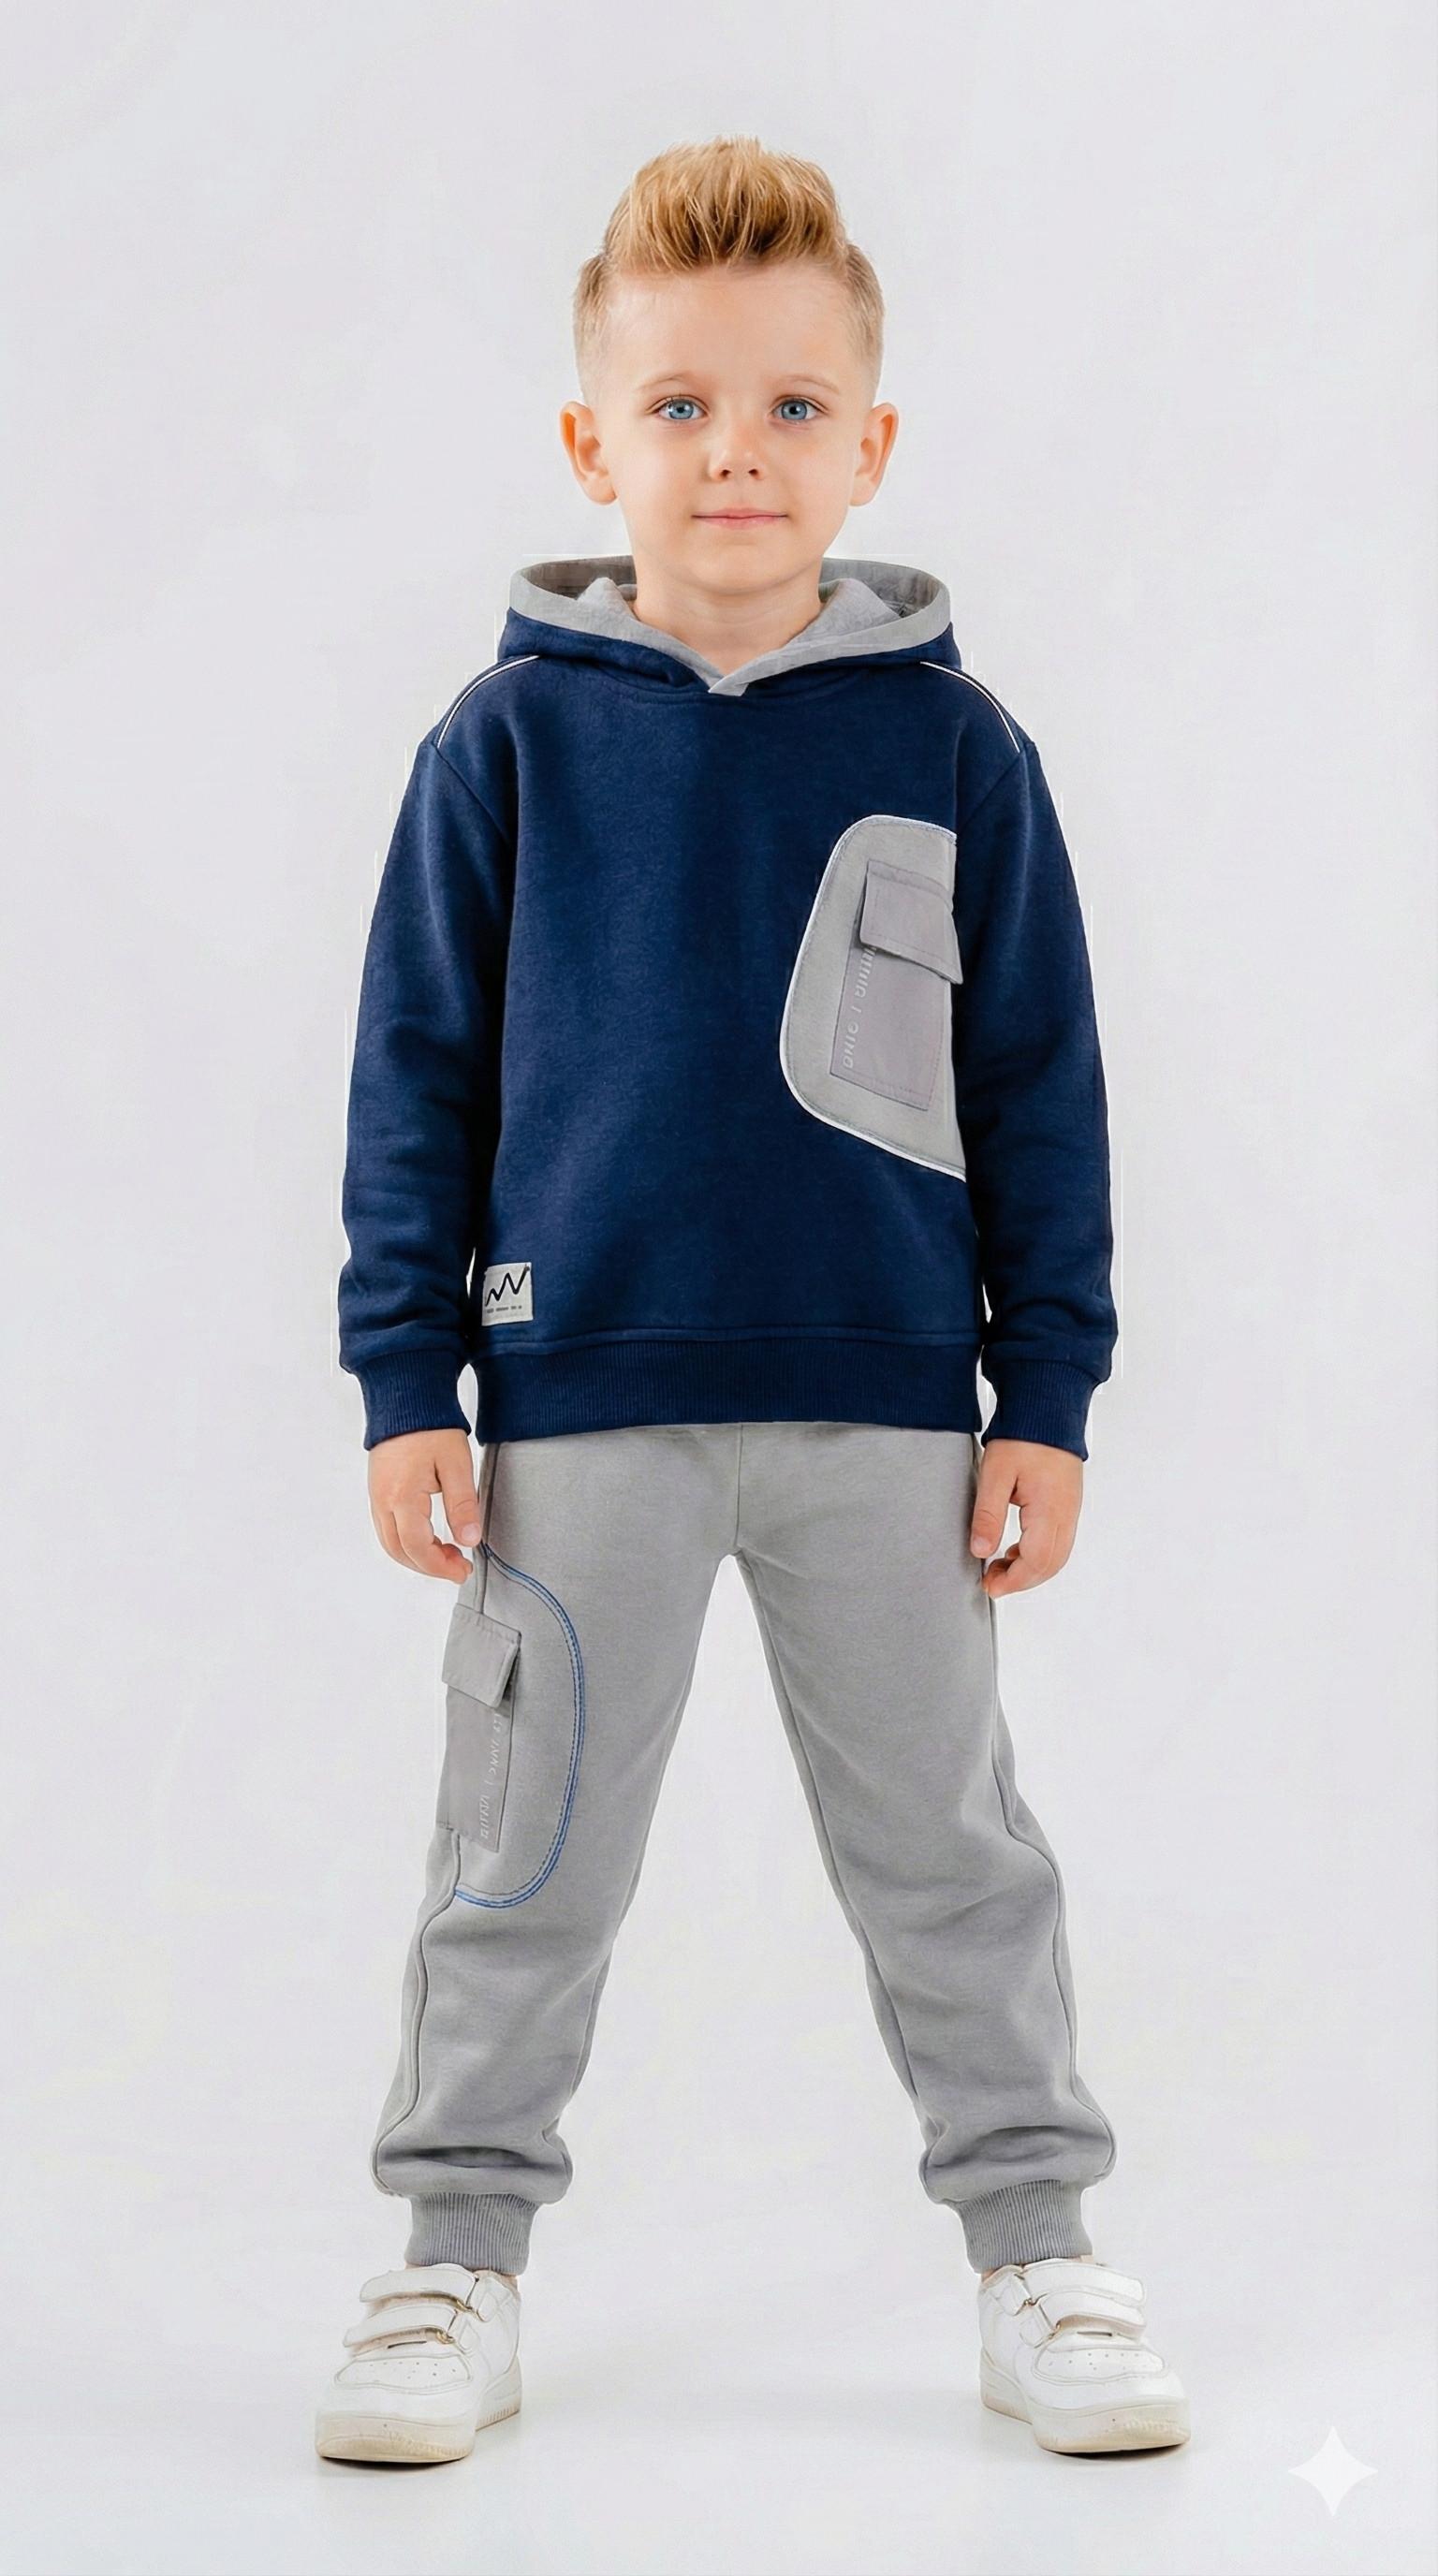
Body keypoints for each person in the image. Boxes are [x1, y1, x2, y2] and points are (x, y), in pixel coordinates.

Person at [315, 137, 1189, 2468]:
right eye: (682, 404)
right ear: (592, 439)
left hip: (887, 1407)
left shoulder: (955, 749)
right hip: (574, 1402)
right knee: (519, 1855)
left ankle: (1039, 2248)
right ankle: (453, 2261)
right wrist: (407, 1372)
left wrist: (1048, 1389)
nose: (737, 451)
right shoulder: (502, 746)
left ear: (869, 443)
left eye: (794, 406)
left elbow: (1041, 1087)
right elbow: (416, 1072)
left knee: (952, 1853)